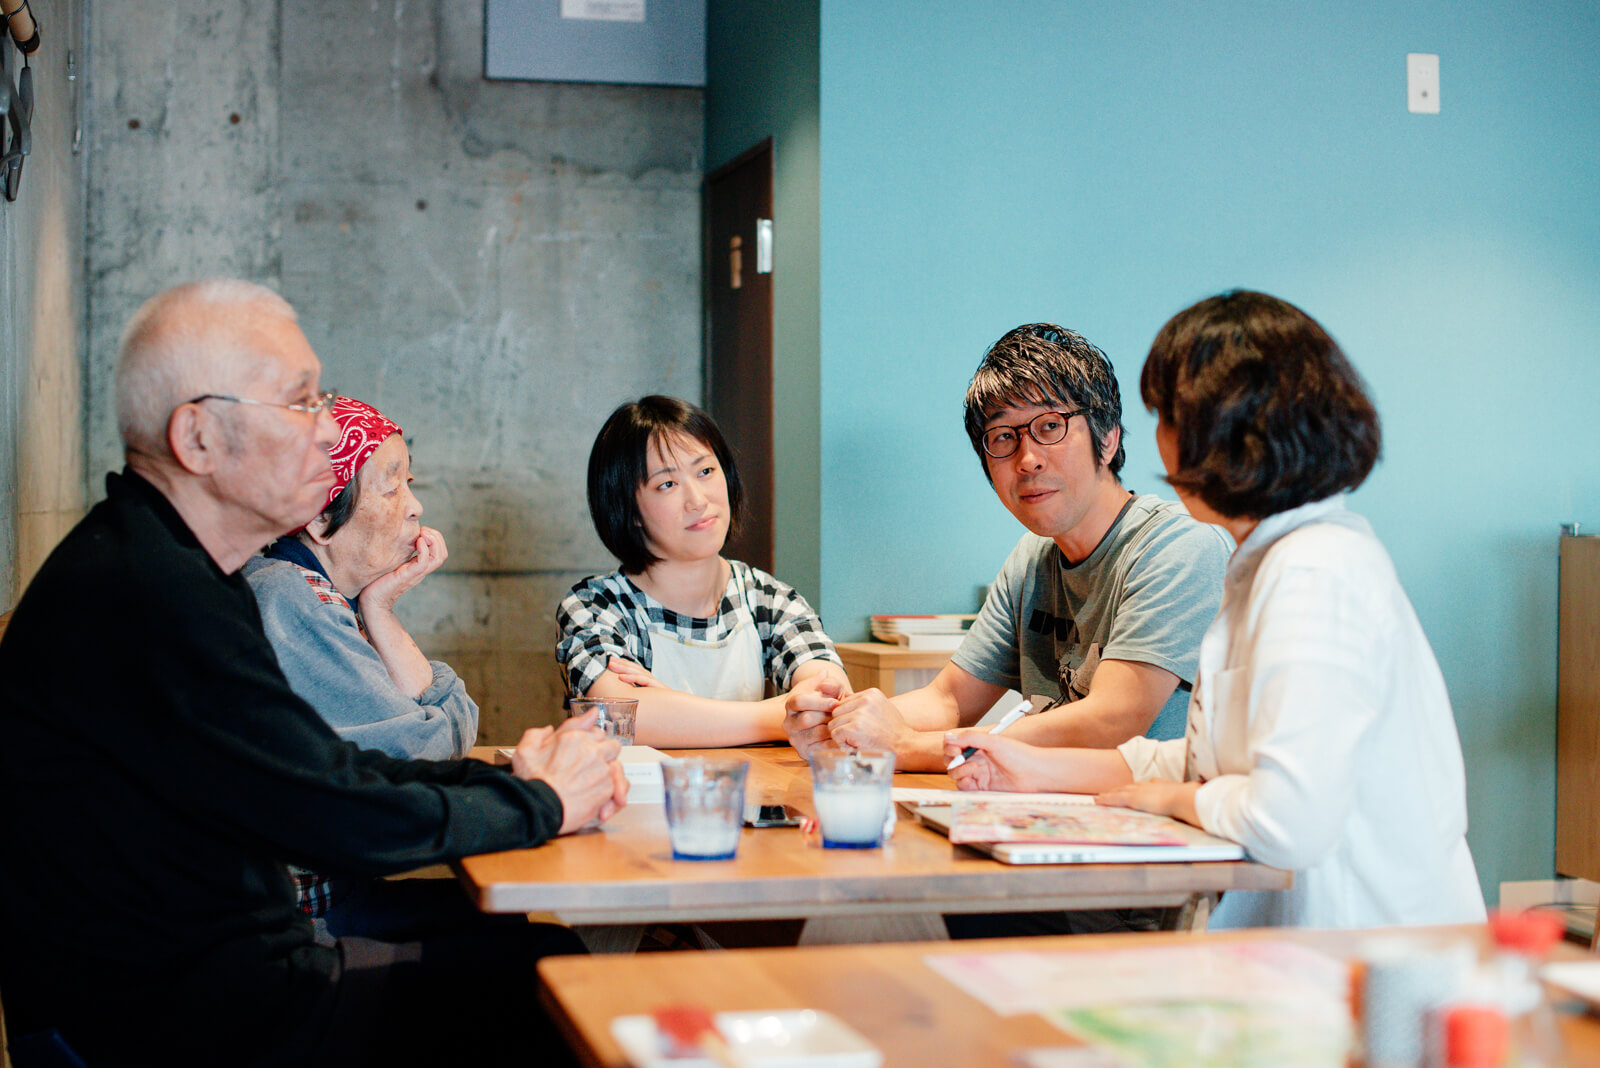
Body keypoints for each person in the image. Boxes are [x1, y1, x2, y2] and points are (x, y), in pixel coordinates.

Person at [0, 279, 627, 1067]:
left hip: (219, 993)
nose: (329, 432)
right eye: (300, 402)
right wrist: (541, 801)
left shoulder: (174, 566)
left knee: (528, 953)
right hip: (188, 1027)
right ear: (197, 437)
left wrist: (508, 783)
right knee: (554, 982)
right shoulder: (148, 594)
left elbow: (327, 769)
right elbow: (340, 815)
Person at [947, 290, 1486, 929]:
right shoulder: (1267, 560)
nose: (1160, 443)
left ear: (1231, 431)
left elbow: (1288, 820)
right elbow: (1208, 761)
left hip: (1364, 950)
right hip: (1289, 945)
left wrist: (1176, 800)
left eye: (1169, 418)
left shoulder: (1313, 574)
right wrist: (1029, 767)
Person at [785, 324, 1231, 774]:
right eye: (1003, 437)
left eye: (1050, 426)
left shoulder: (1179, 545)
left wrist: (904, 746)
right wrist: (842, 722)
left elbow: (1111, 721)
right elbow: (949, 700)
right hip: (1047, 805)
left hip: (1154, 812)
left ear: (1108, 438)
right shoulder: (1033, 558)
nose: (1027, 459)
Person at [242, 395, 485, 940]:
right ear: (320, 517)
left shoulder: (315, 592)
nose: (415, 506)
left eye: (409, 483)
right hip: (298, 930)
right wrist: (447, 716)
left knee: (500, 919)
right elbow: (423, 757)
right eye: (391, 487)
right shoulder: (290, 598)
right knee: (535, 943)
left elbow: (434, 734)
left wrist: (379, 607)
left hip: (333, 898)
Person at [557, 395, 850, 747]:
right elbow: (623, 719)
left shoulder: (768, 599)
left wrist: (671, 709)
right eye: (667, 484)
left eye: (705, 471)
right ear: (629, 509)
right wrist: (782, 716)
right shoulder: (596, 606)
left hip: (751, 784)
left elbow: (832, 704)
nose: (697, 500)